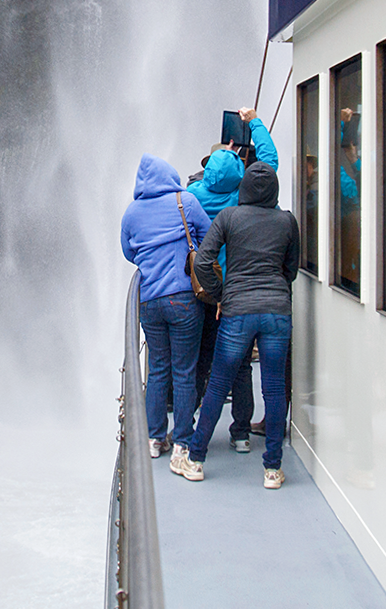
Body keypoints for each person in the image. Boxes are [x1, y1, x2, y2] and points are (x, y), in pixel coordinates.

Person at [172, 161, 300, 490]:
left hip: (237, 310)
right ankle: (272, 469)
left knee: (217, 384)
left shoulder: (229, 217)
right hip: (276, 312)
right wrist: (276, 289)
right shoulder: (287, 221)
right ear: (273, 189)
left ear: (244, 189)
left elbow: (202, 260)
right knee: (273, 388)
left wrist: (219, 296)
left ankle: (196, 459)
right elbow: (292, 268)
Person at [187, 108, 279, 454]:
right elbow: (268, 163)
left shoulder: (192, 196)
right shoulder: (242, 197)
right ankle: (240, 432)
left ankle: (187, 427)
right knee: (240, 364)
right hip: (235, 292)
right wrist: (253, 121)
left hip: (202, 290)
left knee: (198, 358)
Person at [120, 154, 210, 462]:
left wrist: (151, 260)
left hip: (149, 300)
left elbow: (129, 251)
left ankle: (153, 438)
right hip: (184, 298)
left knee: (157, 369)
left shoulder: (132, 213)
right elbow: (209, 238)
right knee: (184, 371)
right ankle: (183, 441)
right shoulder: (185, 201)